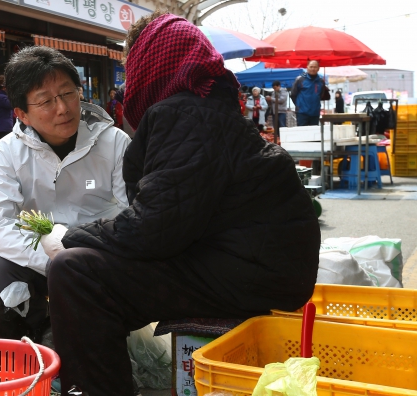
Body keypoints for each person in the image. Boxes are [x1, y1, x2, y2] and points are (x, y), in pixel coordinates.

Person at [40, 11, 320, 395]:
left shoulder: (186, 114)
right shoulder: (206, 108)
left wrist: (71, 236)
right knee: (88, 262)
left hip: (254, 271)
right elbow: (170, 214)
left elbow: (153, 230)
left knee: (76, 271)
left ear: (150, 66)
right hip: (258, 263)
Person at [0, 46, 131, 342]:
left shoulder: (114, 142)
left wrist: (85, 257)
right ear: (23, 114)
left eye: (67, 93)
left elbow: (131, 214)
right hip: (38, 255)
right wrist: (54, 262)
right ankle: (35, 336)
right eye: (45, 101)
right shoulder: (7, 152)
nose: (62, 108)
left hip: (98, 254)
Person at [290, 60, 325, 126]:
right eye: (311, 67)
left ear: (318, 68)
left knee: (314, 134)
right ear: (307, 67)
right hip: (302, 113)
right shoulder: (300, 79)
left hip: (315, 113)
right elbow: (293, 94)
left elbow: (321, 95)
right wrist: (299, 105)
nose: (313, 69)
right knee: (302, 133)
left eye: (315, 67)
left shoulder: (321, 81)